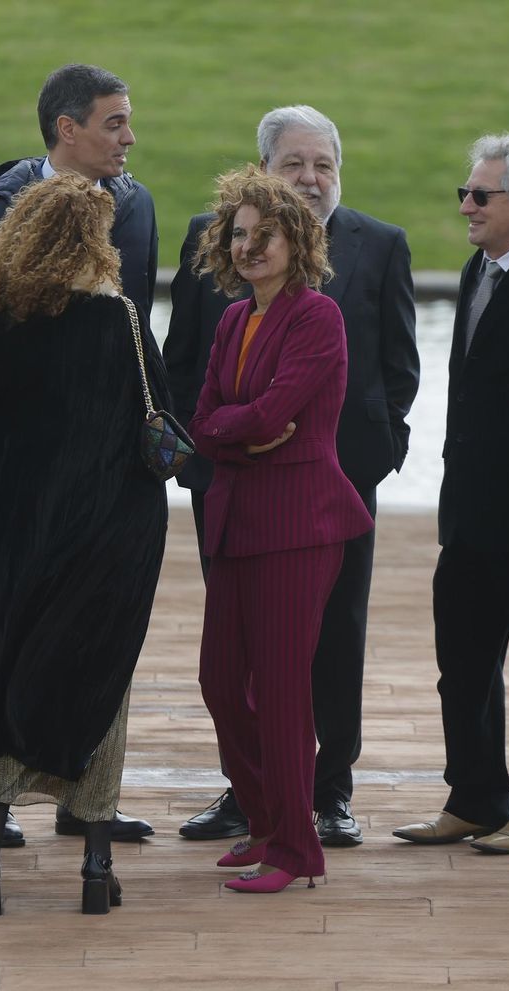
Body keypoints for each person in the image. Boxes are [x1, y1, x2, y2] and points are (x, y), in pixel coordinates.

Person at [0, 173, 169, 916]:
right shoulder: (120, 319)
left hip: (14, 533)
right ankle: (94, 869)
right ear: (98, 242)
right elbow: (160, 423)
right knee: (98, 687)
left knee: (5, 683)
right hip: (112, 533)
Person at [166, 105, 419, 847]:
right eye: (294, 165)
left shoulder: (380, 244)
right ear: (262, 172)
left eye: (324, 166)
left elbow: (399, 372)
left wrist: (371, 458)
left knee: (333, 639)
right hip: (231, 491)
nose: (311, 179)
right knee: (239, 654)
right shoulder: (217, 242)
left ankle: (327, 790)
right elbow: (187, 365)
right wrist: (203, 458)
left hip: (329, 492)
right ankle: (250, 794)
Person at [0, 62, 159, 844]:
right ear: (66, 130)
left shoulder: (138, 205)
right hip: (29, 494)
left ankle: (82, 800)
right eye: (115, 123)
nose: (130, 138)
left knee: (85, 646)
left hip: (76, 496)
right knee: (9, 645)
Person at [394, 134, 509, 855]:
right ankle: (474, 796)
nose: (466, 206)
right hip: (469, 513)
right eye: (464, 193)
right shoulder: (479, 270)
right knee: (464, 665)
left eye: (481, 195)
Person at [191, 167, 375, 893]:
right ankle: (266, 819)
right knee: (218, 681)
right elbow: (206, 419)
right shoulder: (235, 317)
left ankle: (298, 846)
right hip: (237, 519)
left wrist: (235, 431)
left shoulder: (317, 316)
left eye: (263, 234)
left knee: (284, 689)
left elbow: (270, 416)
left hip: (300, 523)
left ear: (297, 240)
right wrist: (237, 435)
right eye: (237, 234)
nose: (248, 247)